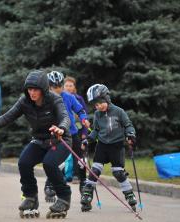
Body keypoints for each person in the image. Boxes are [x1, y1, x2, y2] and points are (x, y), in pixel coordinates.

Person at [0, 70, 72, 219]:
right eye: (29, 89)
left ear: (43, 89)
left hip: (59, 139)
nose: (32, 93)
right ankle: (30, 197)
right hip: (39, 140)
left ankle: (64, 197)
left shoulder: (54, 99)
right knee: (24, 162)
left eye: (35, 90)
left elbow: (65, 117)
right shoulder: (24, 101)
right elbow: (7, 117)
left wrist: (61, 128)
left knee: (49, 164)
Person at [81, 84, 138, 212]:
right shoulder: (97, 114)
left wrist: (130, 135)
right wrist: (88, 139)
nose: (99, 106)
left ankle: (129, 195)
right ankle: (87, 195)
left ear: (107, 98)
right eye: (96, 105)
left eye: (100, 103)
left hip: (117, 146)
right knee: (95, 170)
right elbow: (96, 130)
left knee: (118, 172)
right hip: (102, 145)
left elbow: (128, 125)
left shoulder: (119, 111)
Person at [44, 71, 90, 203]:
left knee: (80, 160)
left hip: (72, 132)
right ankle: (49, 185)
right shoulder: (46, 98)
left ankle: (83, 184)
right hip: (56, 134)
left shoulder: (68, 97)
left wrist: (83, 119)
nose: (57, 89)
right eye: (53, 87)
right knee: (55, 161)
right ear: (48, 87)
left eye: (59, 86)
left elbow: (80, 110)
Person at [64, 76, 88, 184]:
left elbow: (84, 114)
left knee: (77, 154)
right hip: (64, 129)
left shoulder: (79, 99)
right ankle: (63, 175)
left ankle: (76, 175)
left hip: (77, 130)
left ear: (74, 87)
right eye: (67, 85)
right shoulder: (60, 98)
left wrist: (84, 132)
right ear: (63, 87)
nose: (69, 88)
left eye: (71, 85)